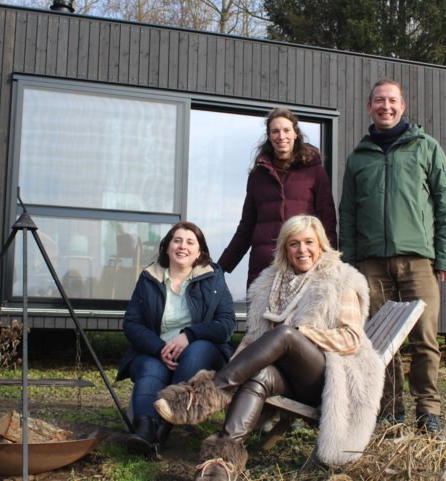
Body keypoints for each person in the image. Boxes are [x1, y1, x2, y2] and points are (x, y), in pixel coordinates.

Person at [154, 215, 384, 481]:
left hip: (326, 379)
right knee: (259, 376)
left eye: (309, 242)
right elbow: (255, 339)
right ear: (285, 248)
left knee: (285, 335)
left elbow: (350, 338)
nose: (302, 250)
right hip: (286, 379)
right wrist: (238, 368)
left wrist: (303, 334)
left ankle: (204, 395)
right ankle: (221, 463)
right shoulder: (272, 283)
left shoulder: (340, 279)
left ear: (321, 245)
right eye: (294, 244)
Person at [339, 78, 446, 434]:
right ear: (369, 107)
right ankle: (390, 410)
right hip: (371, 263)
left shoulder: (426, 148)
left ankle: (429, 410)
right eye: (379, 100)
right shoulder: (358, 157)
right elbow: (347, 213)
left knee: (425, 337)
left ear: (402, 106)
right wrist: (349, 265)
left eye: (392, 100)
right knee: (379, 341)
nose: (385, 106)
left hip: (419, 261)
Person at [116, 221, 237, 456]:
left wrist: (189, 335)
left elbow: (226, 325)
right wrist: (160, 348)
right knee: (150, 369)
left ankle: (163, 430)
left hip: (200, 349)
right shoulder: (149, 278)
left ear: (199, 251)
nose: (183, 246)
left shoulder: (213, 278)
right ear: (168, 247)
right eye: (177, 240)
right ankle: (145, 430)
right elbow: (132, 323)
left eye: (190, 242)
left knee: (196, 350)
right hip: (156, 349)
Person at [218, 108, 338, 288]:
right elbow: (246, 227)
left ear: (296, 133)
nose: (281, 136)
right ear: (269, 136)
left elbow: (327, 220)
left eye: (286, 130)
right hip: (264, 264)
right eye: (275, 131)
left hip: (303, 265)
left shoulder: (315, 172)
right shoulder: (258, 176)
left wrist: (330, 261)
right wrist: (221, 267)